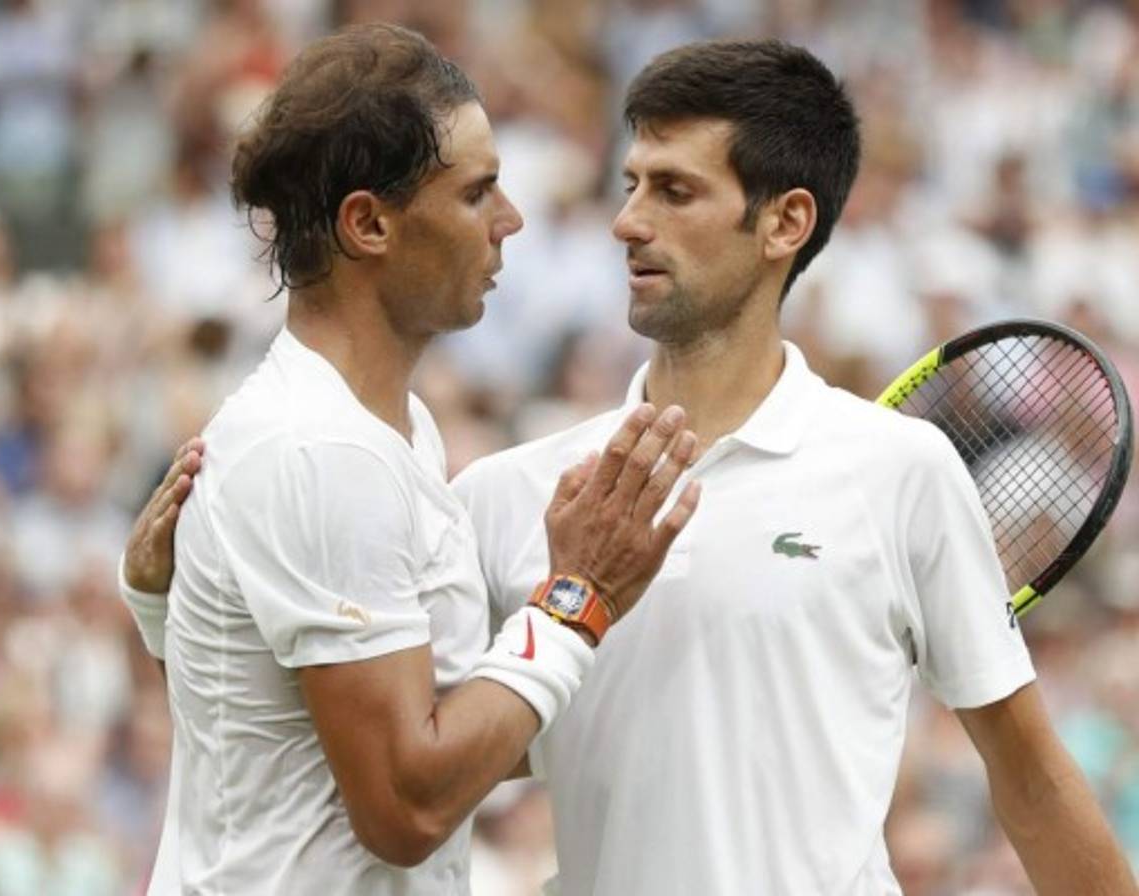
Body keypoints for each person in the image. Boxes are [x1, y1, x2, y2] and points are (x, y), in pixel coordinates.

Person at [128, 38, 1138, 895]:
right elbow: (382, 744)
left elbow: (1034, 779)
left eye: (674, 190)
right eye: (630, 185)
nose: (626, 220)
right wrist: (181, 603)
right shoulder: (507, 495)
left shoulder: (902, 469)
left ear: (786, 222)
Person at [117, 24, 701, 895]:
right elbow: (405, 808)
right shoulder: (323, 453)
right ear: (370, 224)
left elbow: (288, 724)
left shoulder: (388, 431)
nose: (511, 222)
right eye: (476, 194)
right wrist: (580, 598)